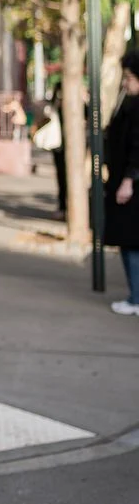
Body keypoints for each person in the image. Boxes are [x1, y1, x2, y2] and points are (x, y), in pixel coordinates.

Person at [104, 51, 139, 316]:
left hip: (131, 188)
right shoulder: (129, 103)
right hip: (125, 182)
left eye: (129, 77)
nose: (125, 82)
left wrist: (128, 181)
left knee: (131, 242)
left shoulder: (136, 108)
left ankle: (136, 297)